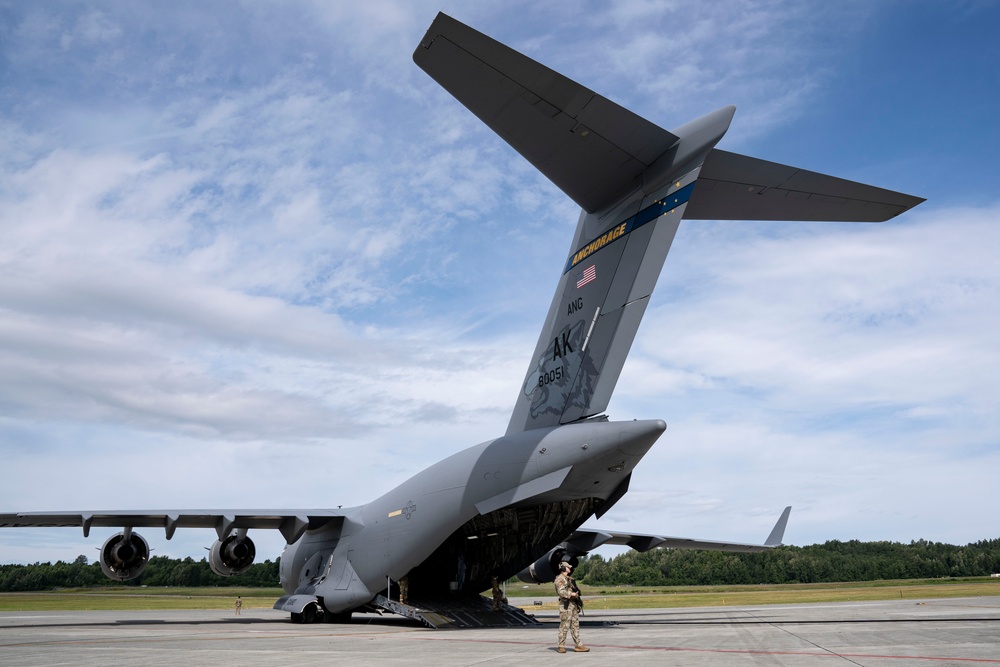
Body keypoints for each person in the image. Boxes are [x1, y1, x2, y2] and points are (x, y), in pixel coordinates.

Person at [553, 561, 588, 653]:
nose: (570, 568)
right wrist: (571, 594)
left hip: (573, 604)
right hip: (566, 605)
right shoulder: (560, 579)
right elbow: (561, 592)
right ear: (563, 568)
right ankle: (561, 646)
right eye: (568, 567)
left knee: (575, 625)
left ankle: (578, 645)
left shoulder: (569, 579)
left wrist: (577, 601)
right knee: (565, 625)